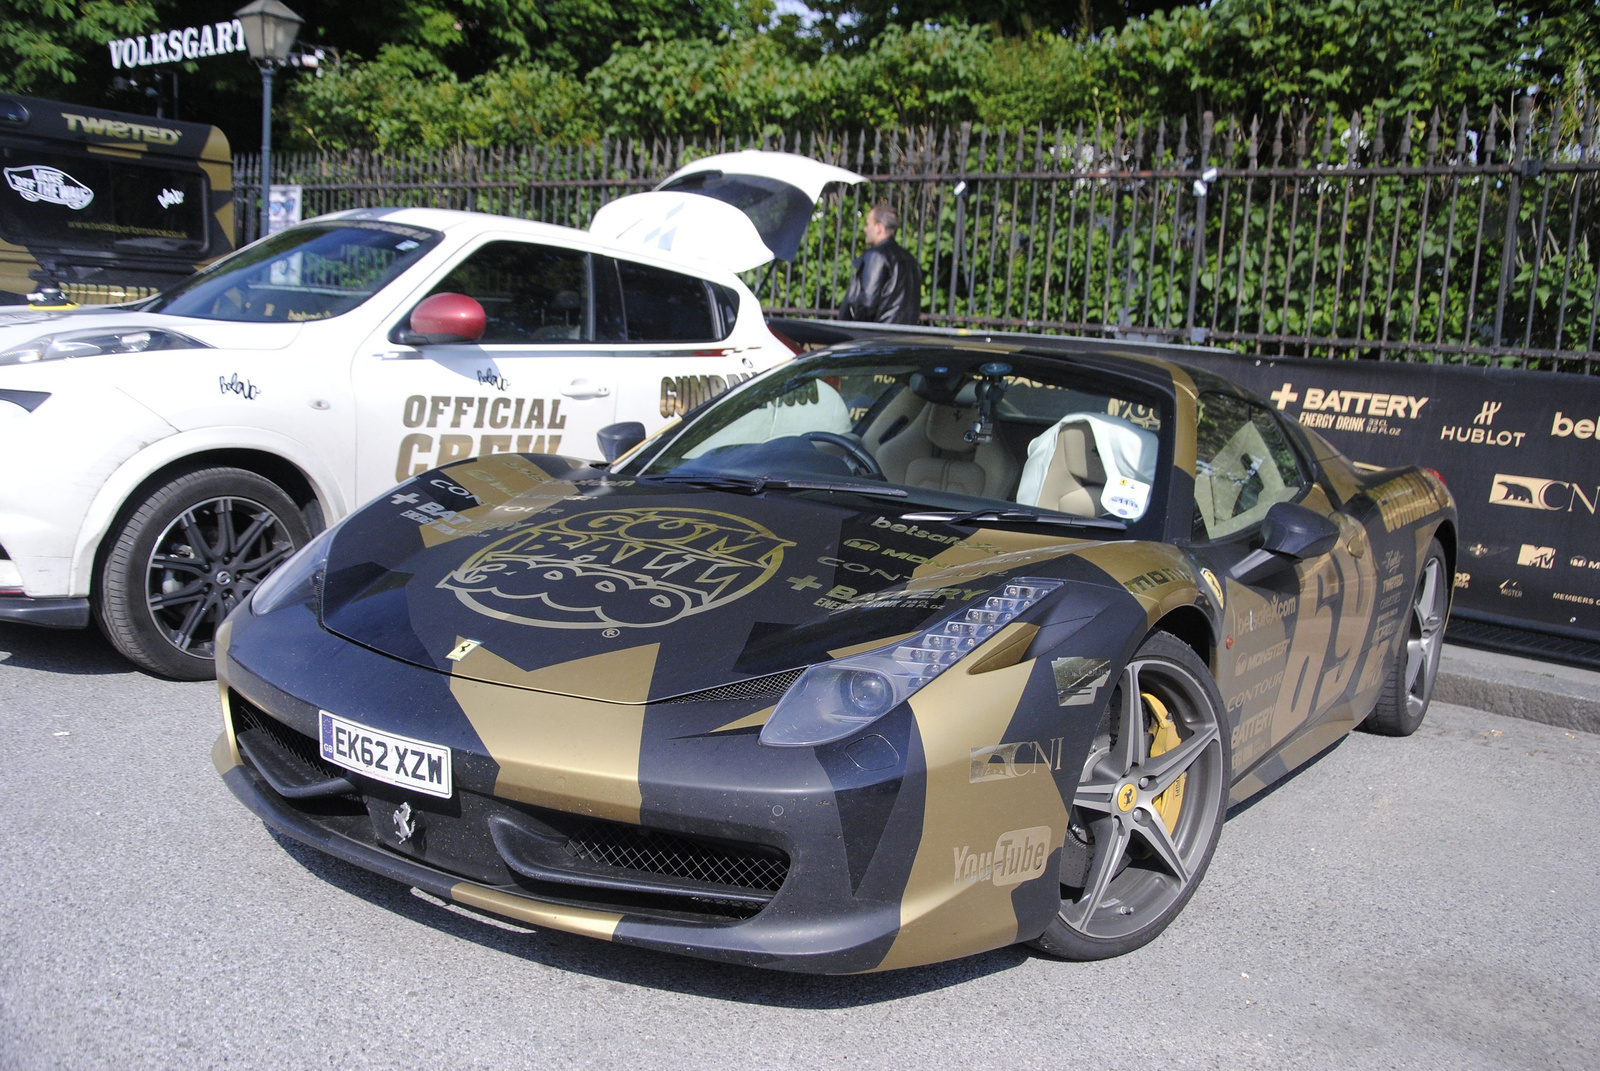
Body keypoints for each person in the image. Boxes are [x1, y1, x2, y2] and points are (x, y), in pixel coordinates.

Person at [839, 202, 921, 324]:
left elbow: (867, 302)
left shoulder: (876, 256)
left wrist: (855, 328)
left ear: (879, 227)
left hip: (878, 335)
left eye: (868, 224)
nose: (865, 229)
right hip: (905, 336)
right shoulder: (911, 260)